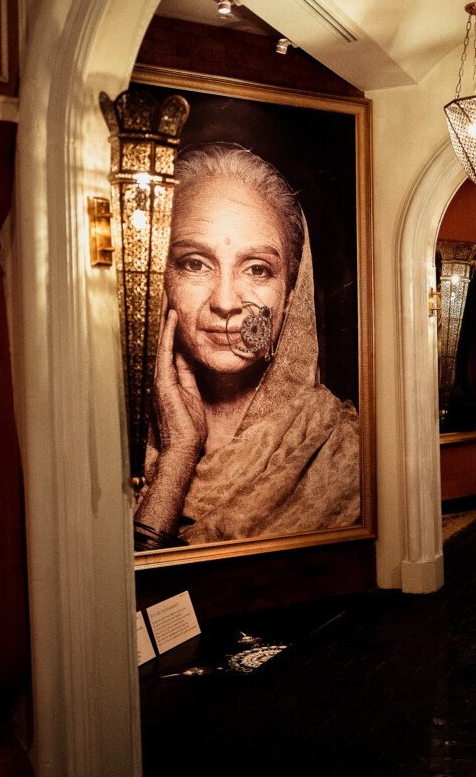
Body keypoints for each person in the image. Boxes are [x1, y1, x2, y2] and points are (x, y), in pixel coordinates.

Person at [133, 144, 360, 551]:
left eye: (257, 269)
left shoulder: (338, 445)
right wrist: (178, 454)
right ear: (162, 279)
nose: (225, 302)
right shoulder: (109, 437)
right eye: (194, 263)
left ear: (289, 294)